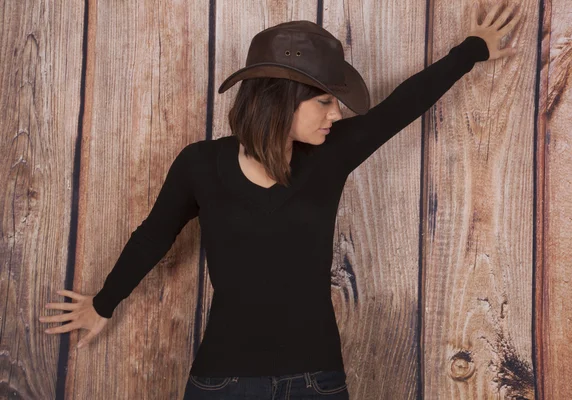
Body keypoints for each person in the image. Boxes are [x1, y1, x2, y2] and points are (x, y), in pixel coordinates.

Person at [39, 3, 522, 399]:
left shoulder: (332, 156)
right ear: (280, 99)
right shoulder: (200, 166)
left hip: (317, 382)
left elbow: (402, 105)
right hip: (221, 384)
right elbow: (152, 237)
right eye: (324, 101)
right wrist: (102, 305)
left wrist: (472, 50)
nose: (337, 112)